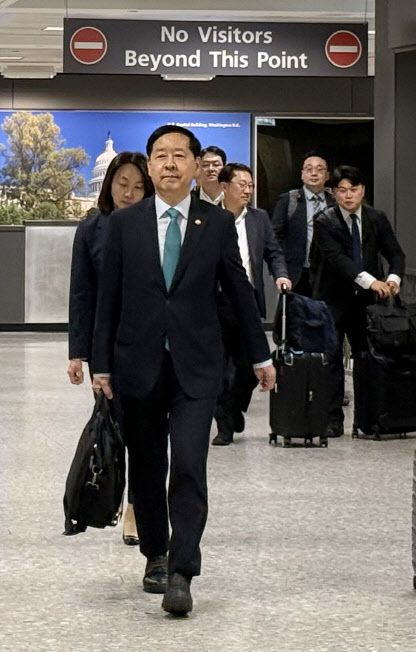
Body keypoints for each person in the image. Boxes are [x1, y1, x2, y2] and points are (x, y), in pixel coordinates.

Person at [91, 125, 275, 616]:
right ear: (150, 166)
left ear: (197, 167)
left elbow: (240, 292)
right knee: (148, 466)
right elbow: (108, 299)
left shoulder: (216, 224)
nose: (169, 163)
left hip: (197, 366)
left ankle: (182, 570)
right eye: (160, 155)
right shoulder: (125, 224)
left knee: (190, 465)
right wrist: (100, 365)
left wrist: (261, 356)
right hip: (137, 364)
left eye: (179, 155)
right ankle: (156, 553)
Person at [67, 151, 154, 545]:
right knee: (115, 428)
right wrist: (78, 353)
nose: (129, 193)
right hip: (108, 348)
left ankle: (137, 507)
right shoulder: (91, 228)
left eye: (138, 186)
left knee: (147, 433)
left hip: (149, 342)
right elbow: (81, 293)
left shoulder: (155, 226)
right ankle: (113, 499)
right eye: (122, 184)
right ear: (109, 184)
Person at [311, 164, 405, 438]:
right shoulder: (324, 220)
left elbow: (396, 253)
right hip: (332, 299)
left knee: (368, 358)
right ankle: (332, 419)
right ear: (333, 193)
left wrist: (393, 278)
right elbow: (338, 259)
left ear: (363, 190)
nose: (348, 195)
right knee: (331, 358)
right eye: (342, 190)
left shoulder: (376, 218)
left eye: (353, 189)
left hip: (367, 303)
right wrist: (370, 281)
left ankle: (370, 417)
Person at [212, 162, 291, 446]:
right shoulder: (209, 218)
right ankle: (224, 424)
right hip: (215, 301)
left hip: (247, 300)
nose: (247, 190)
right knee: (220, 366)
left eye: (251, 185)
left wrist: (281, 274)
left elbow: (273, 252)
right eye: (241, 184)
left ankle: (234, 407)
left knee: (248, 365)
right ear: (224, 187)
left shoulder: (259, 219)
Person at [271, 151, 335, 297]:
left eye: (319, 169)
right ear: (302, 174)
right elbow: (274, 237)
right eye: (308, 169)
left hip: (328, 275)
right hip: (296, 274)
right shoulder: (289, 199)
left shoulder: (334, 202)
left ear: (327, 176)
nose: (314, 173)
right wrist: (280, 270)